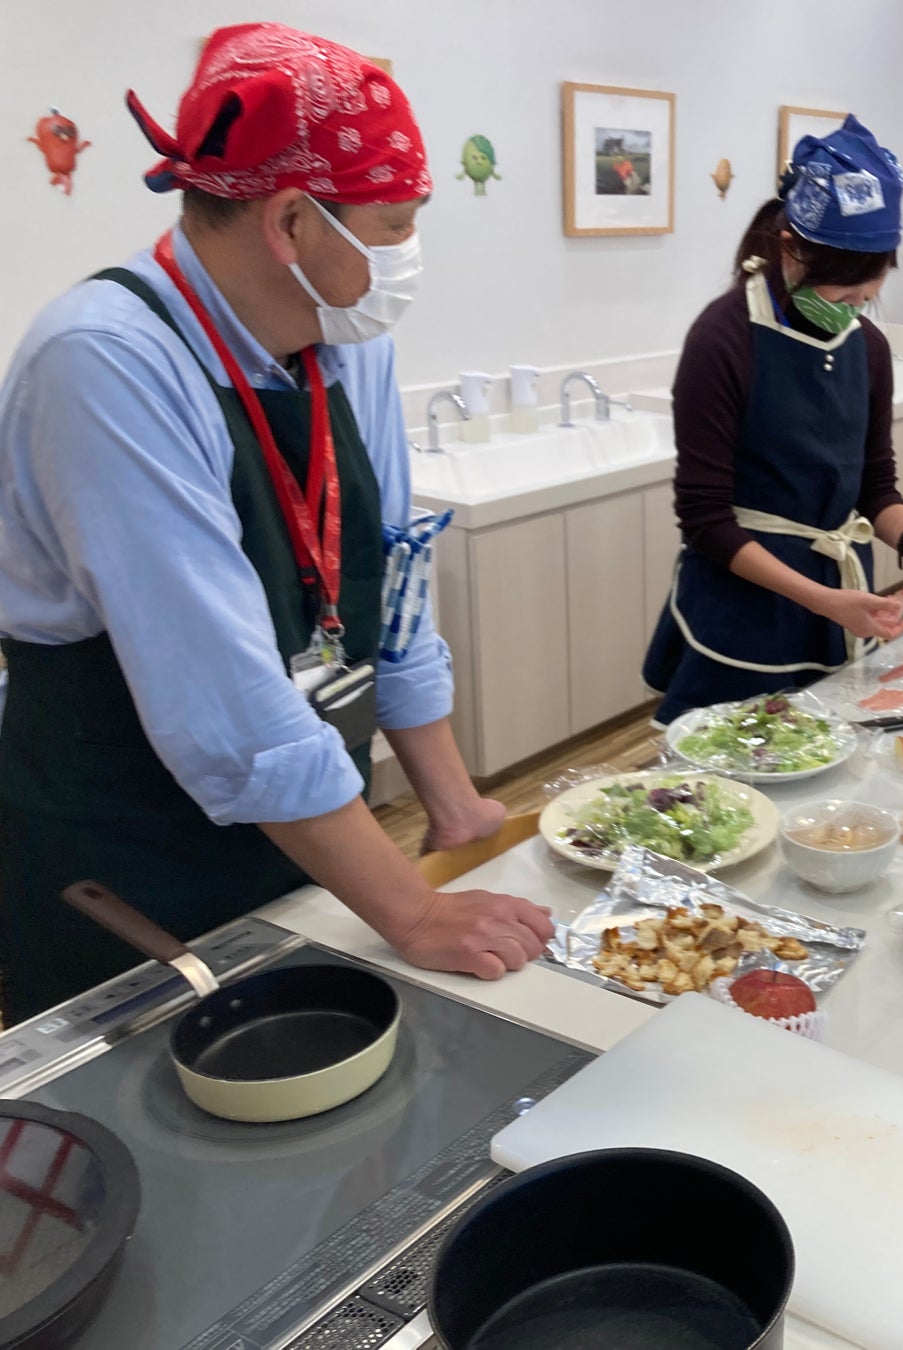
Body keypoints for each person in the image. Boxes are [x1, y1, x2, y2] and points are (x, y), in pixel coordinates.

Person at [0, 25, 554, 1023]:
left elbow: (392, 575)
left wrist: (452, 799)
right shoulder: (106, 363)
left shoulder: (344, 338)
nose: (407, 255)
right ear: (294, 223)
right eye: (393, 225)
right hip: (130, 842)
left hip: (304, 817)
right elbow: (218, 697)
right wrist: (410, 912)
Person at [642, 116, 903, 725]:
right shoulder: (723, 339)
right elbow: (704, 518)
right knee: (731, 778)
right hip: (744, 604)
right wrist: (822, 600)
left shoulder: (869, 348)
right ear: (791, 250)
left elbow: (874, 480)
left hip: (841, 598)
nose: (853, 314)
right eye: (840, 299)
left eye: (868, 299)